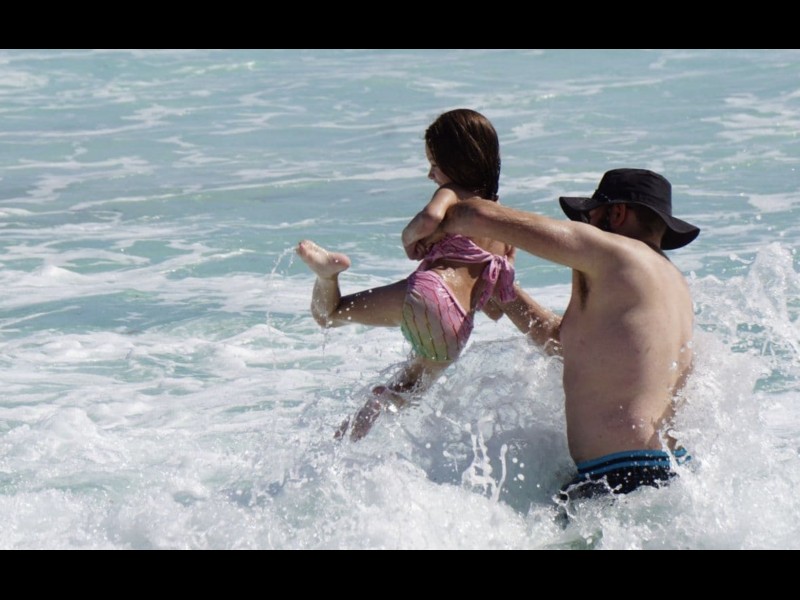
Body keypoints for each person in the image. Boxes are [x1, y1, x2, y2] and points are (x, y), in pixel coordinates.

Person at [403, 168, 700, 510]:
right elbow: (565, 345)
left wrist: (422, 230)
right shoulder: (670, 282)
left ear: (617, 213)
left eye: (590, 215)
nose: (586, 225)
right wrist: (505, 291)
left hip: (621, 477)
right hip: (667, 474)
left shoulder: (614, 252)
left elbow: (474, 215)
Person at [295, 108, 517, 442]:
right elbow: (497, 306)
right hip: (456, 325)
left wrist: (408, 240)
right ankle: (345, 441)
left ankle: (328, 275)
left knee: (330, 314)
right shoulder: (504, 225)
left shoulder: (453, 192)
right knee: (406, 389)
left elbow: (429, 218)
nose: (430, 174)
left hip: (431, 290)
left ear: (457, 163)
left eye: (434, 164)